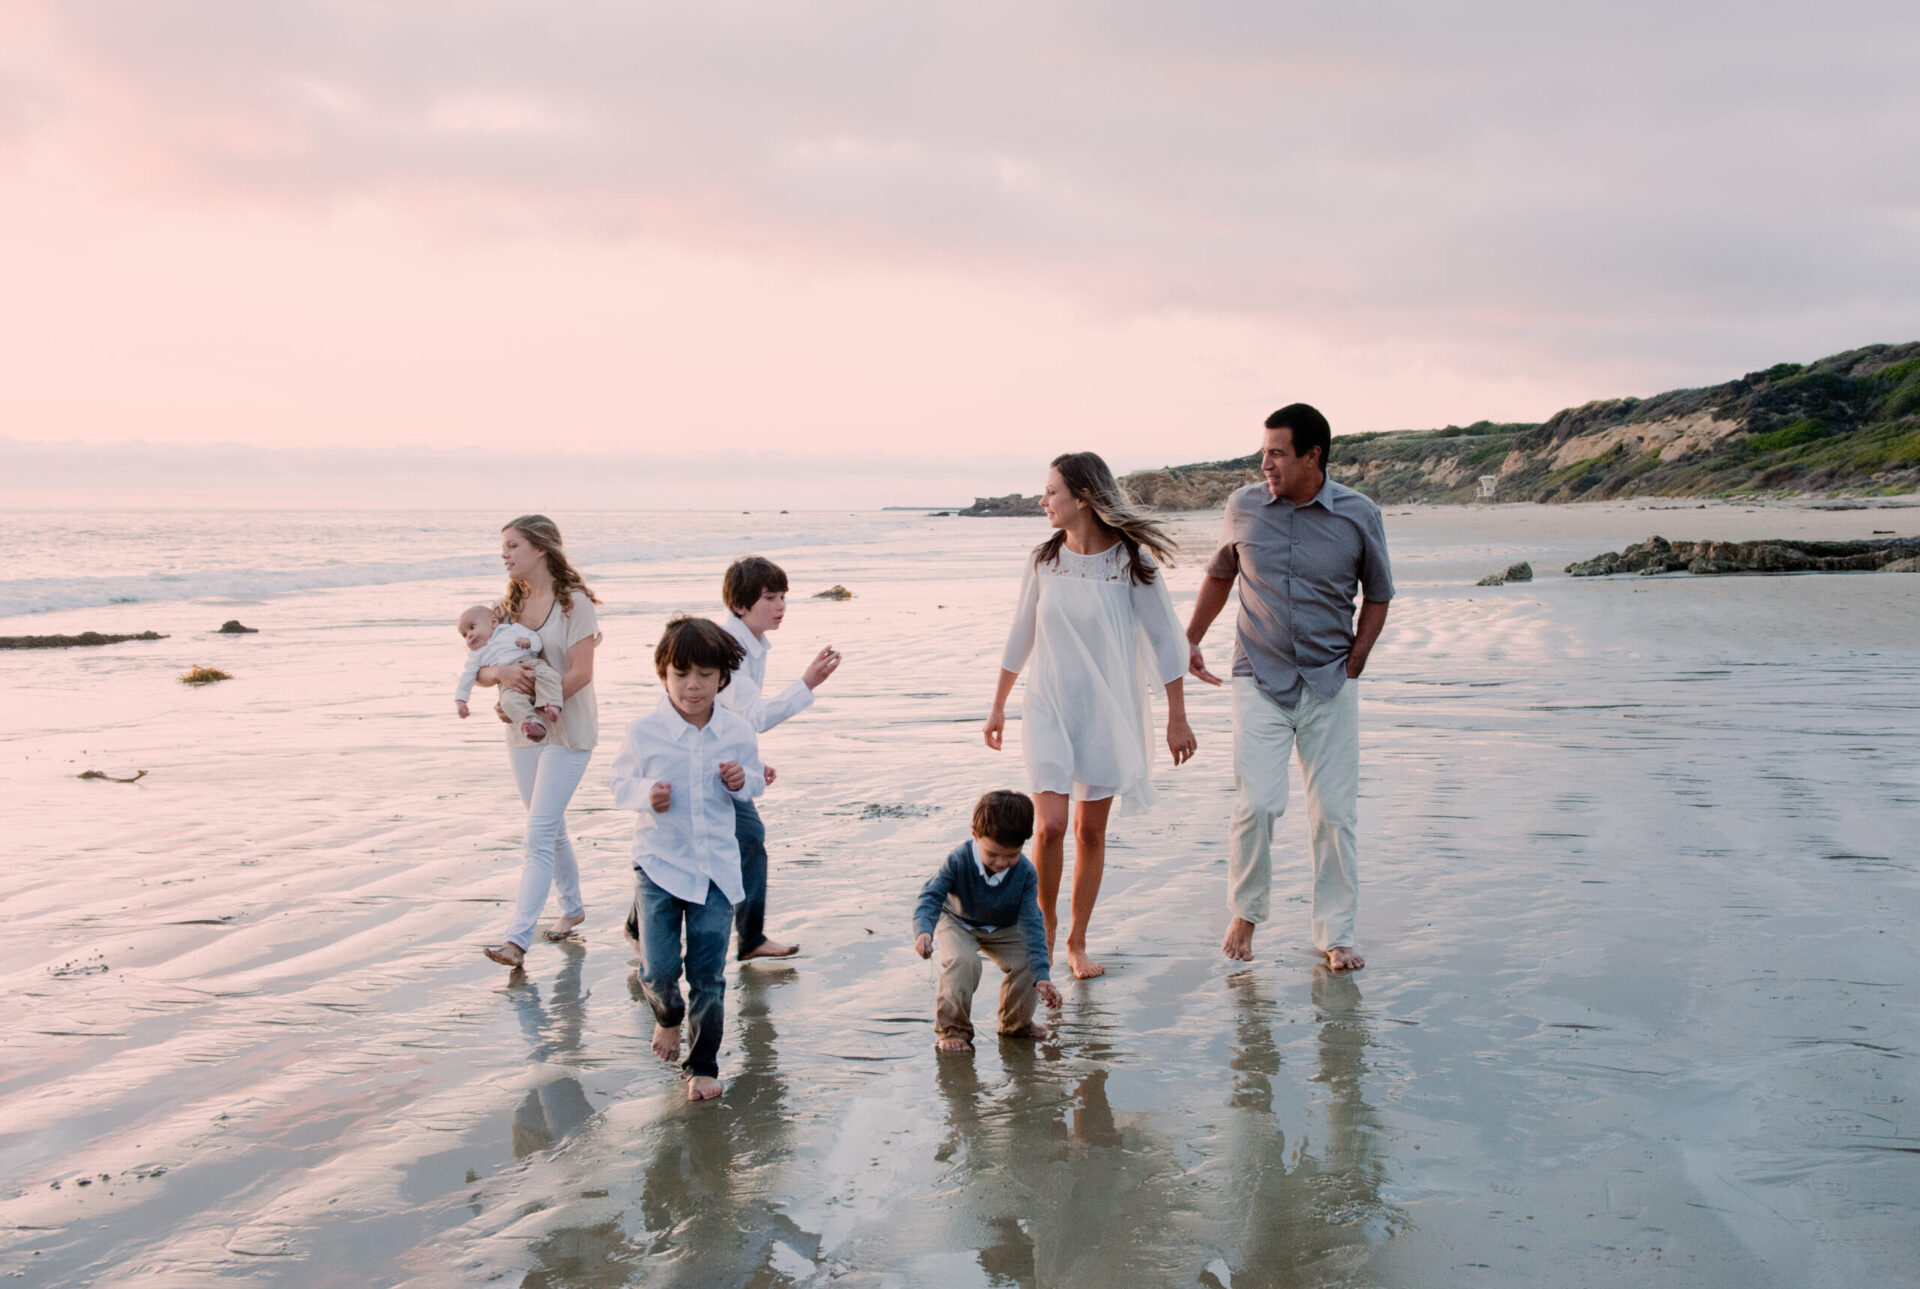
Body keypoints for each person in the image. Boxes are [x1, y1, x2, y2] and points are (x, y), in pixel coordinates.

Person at [1184, 403, 1393, 972]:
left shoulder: (1358, 514)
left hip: (1330, 682)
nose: (1265, 463)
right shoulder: (1244, 507)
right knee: (1258, 804)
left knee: (1333, 815)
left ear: (1312, 456)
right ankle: (1246, 912)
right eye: (1264, 452)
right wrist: (1190, 639)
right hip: (1258, 676)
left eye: (1277, 452)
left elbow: (1378, 592)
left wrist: (1356, 661)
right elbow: (1220, 575)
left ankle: (1336, 934)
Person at [984, 452, 1196, 980]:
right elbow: (1021, 633)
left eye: (1051, 491)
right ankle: (1045, 931)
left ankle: (1077, 942)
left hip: (1106, 710)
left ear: (1081, 497)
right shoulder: (1044, 560)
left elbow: (1167, 642)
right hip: (1049, 704)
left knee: (1090, 833)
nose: (1043, 501)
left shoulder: (1130, 561)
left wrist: (1176, 716)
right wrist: (998, 705)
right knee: (1051, 825)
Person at [609, 616, 764, 1102]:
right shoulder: (644, 732)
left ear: (722, 677)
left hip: (716, 869)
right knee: (657, 970)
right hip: (659, 865)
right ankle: (668, 1017)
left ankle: (702, 1066)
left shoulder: (735, 731)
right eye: (681, 674)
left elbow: (756, 781)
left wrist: (743, 782)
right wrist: (643, 794)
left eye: (704, 674)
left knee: (708, 975)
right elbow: (617, 785)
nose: (692, 686)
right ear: (663, 676)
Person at [476, 516, 601, 969]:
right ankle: (572, 908)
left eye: (513, 545)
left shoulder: (575, 604)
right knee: (548, 825)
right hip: (522, 734)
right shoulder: (505, 608)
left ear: (542, 549)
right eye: (502, 547)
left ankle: (516, 941)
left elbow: (582, 672)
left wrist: (537, 704)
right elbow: (482, 667)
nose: (505, 554)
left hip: (569, 732)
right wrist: (501, 676)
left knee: (538, 834)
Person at [715, 556, 842, 961]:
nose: (780, 605)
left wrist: (751, 761)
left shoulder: (751, 643)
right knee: (744, 844)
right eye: (770, 597)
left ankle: (638, 926)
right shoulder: (730, 648)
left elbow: (732, 716)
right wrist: (808, 683)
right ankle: (749, 939)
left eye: (783, 596)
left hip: (725, 761)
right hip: (705, 763)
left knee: (722, 844)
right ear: (739, 605)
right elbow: (756, 716)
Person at [913, 790, 1064, 1052]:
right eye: (993, 855)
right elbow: (931, 896)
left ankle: (1015, 1025)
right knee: (963, 962)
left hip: (1004, 927)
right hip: (958, 921)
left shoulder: (1026, 873)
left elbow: (1032, 924)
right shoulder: (958, 860)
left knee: (1027, 963)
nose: (1002, 863)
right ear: (975, 835)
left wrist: (1043, 976)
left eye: (1011, 856)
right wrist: (923, 930)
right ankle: (953, 1030)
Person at [454, 604, 562, 740]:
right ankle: (530, 722)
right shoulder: (476, 655)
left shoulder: (512, 629)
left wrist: (528, 642)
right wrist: (461, 700)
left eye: (472, 627)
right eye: (464, 634)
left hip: (531, 664)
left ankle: (552, 704)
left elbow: (535, 639)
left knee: (549, 675)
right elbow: (468, 676)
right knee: (509, 701)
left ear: (493, 622)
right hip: (508, 684)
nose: (469, 635)